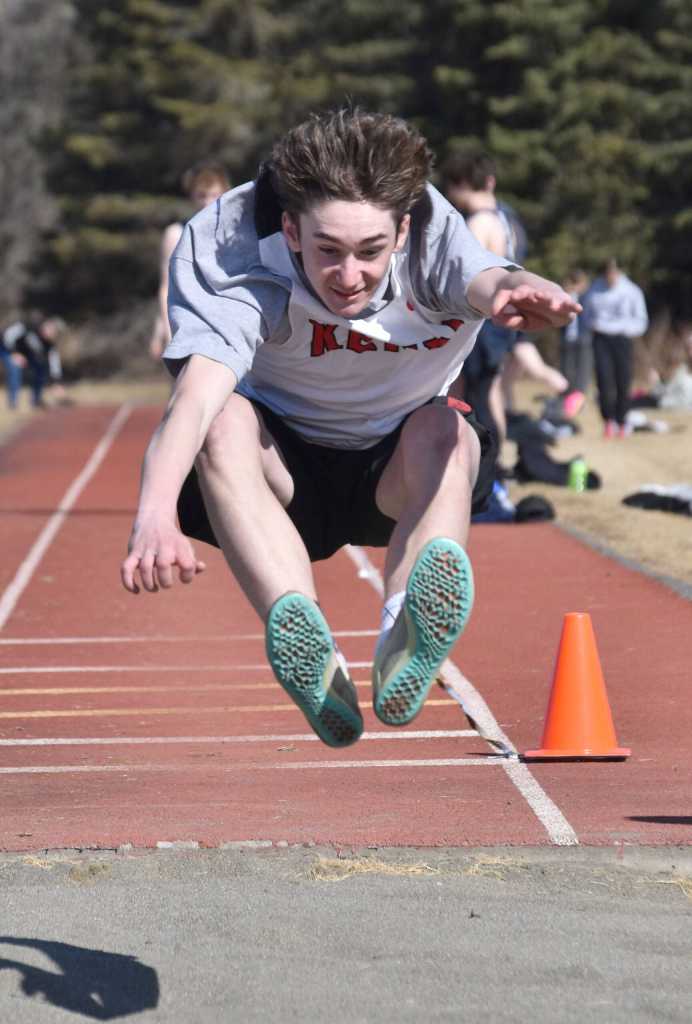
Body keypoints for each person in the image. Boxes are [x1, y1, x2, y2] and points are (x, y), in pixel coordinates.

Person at [121, 108, 580, 748]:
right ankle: (305, 639)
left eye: (369, 252)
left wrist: (523, 285)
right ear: (290, 230)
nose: (348, 277)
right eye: (327, 251)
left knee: (447, 430)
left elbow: (487, 277)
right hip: (281, 471)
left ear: (401, 233)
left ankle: (403, 630)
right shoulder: (230, 249)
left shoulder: (434, 238)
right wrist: (153, 514)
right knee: (223, 421)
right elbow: (195, 399)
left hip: (397, 468)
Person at [440, 151, 567, 448]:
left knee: (475, 398)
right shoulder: (508, 219)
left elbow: (462, 274)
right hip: (500, 321)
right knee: (491, 391)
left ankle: (486, 464)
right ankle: (496, 464)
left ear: (459, 184)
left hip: (483, 321)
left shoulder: (477, 224)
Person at [148, 161, 231, 359]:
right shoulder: (176, 234)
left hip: (225, 323)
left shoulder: (234, 235)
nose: (207, 202)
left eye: (213, 195)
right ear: (192, 197)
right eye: (201, 195)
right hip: (187, 322)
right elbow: (167, 287)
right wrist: (165, 330)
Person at [581, 258, 649, 437]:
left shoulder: (631, 291)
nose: (610, 277)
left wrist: (627, 330)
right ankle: (608, 420)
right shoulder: (594, 290)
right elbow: (585, 314)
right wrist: (592, 326)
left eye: (613, 273)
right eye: (607, 273)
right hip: (601, 339)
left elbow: (641, 319)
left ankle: (622, 419)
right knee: (604, 379)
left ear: (619, 272)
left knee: (623, 380)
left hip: (622, 339)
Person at [0, 312, 65, 410]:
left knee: (40, 368)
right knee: (15, 369)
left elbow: (54, 364)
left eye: (55, 332)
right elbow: (8, 335)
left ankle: (36, 401)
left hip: (26, 354)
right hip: (7, 347)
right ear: (48, 324)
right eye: (52, 328)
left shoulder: (49, 345)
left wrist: (56, 382)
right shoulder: (31, 325)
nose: (51, 332)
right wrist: (14, 353)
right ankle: (12, 404)